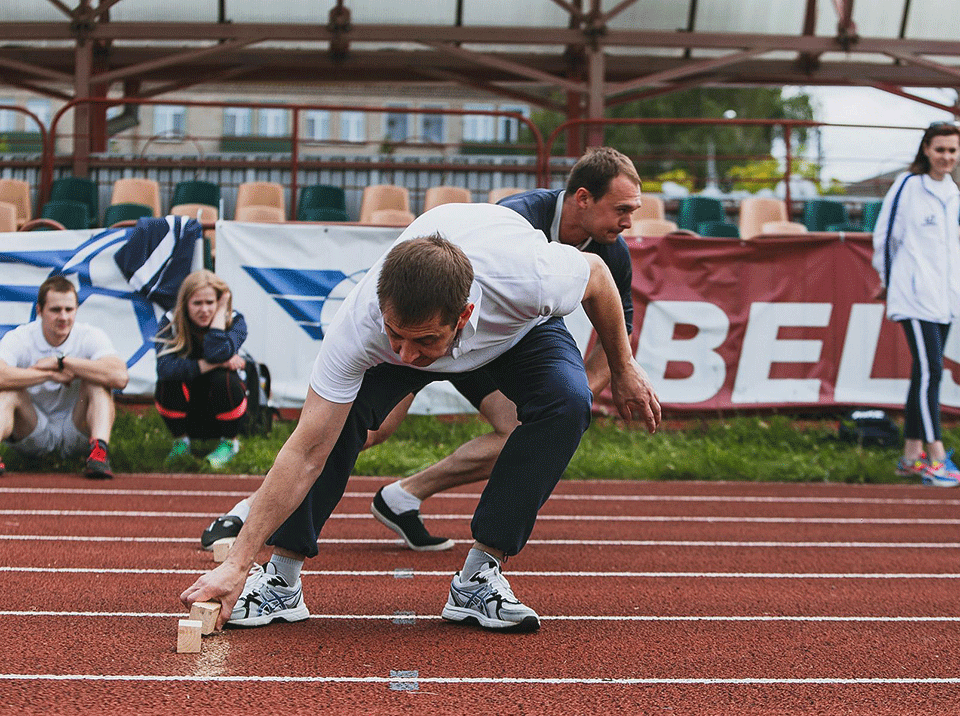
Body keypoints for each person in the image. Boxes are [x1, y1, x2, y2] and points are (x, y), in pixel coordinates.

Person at [181, 201, 660, 633]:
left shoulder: (531, 279)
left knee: (567, 401)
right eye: (396, 335)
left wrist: (622, 366)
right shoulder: (362, 323)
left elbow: (598, 274)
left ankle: (479, 578)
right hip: (435, 320)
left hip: (516, 334)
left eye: (424, 341)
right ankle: (280, 582)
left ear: (463, 314)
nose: (408, 354)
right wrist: (238, 564)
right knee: (336, 424)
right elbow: (307, 449)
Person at [200, 146, 642, 551]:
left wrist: (603, 382)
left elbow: (614, 319)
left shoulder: (597, 258)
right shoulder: (517, 224)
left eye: (634, 211)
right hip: (435, 319)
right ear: (583, 198)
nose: (628, 222)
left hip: (496, 333)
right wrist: (413, 362)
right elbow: (311, 442)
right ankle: (255, 514)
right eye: (621, 209)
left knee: (538, 418)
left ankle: (405, 495)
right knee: (364, 427)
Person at [872, 120, 960, 488]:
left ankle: (910, 457)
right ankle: (936, 455)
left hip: (944, 297)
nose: (946, 157)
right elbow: (885, 237)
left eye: (953, 150)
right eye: (940, 149)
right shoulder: (907, 186)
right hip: (913, 295)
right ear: (926, 149)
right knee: (932, 372)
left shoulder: (953, 192)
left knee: (922, 374)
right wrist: (888, 283)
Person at [0, 275, 128, 479]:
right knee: (8, 392)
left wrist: (63, 362)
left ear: (77, 310)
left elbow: (120, 377)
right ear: (39, 311)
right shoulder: (20, 337)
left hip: (75, 429)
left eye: (69, 310)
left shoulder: (89, 335)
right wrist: (47, 375)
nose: (63, 317)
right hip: (32, 429)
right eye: (55, 310)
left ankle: (99, 453)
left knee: (98, 382)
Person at [155, 270, 248, 468]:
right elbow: (164, 368)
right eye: (197, 303)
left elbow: (216, 352)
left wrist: (222, 311)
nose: (204, 310)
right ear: (185, 304)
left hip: (223, 405)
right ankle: (181, 442)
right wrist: (215, 363)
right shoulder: (170, 321)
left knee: (225, 379)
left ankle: (230, 443)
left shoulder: (235, 321)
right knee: (167, 383)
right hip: (189, 410)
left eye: (210, 303)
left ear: (219, 302)